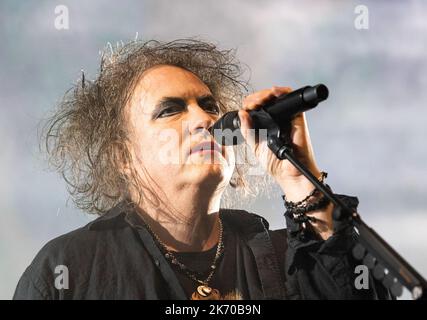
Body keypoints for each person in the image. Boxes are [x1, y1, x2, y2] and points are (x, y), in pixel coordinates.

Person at [13, 39, 390, 300]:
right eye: (170, 110)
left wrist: (298, 179)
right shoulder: (69, 271)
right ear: (122, 157)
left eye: (209, 105)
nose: (203, 119)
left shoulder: (281, 255)